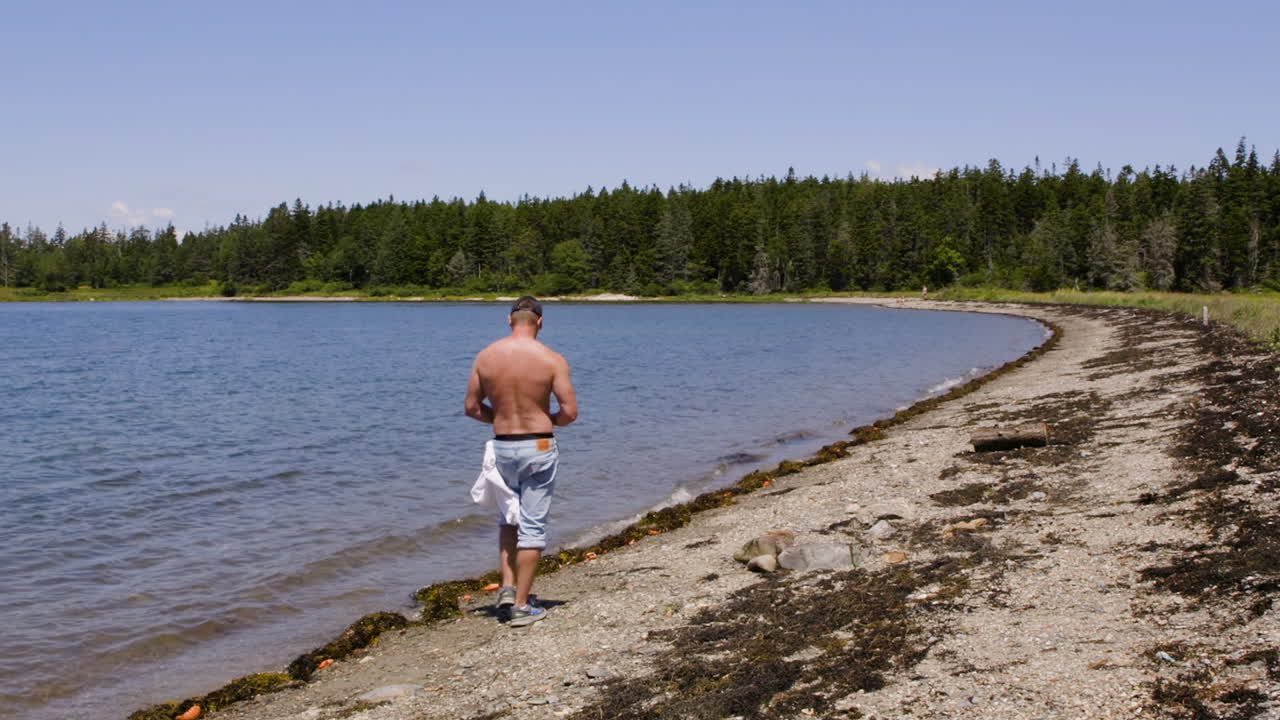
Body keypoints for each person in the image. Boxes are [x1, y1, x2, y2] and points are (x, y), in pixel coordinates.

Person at [464, 296, 578, 626]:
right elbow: (570, 413)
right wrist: (545, 419)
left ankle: (508, 587)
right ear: (540, 322)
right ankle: (522, 606)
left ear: (508, 320)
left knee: (509, 519)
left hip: (502, 446)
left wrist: (500, 417)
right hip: (538, 444)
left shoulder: (486, 357)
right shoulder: (551, 359)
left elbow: (471, 407)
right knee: (532, 526)